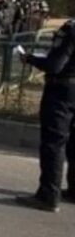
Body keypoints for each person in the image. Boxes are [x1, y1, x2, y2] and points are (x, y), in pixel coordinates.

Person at [16, 19, 75, 212]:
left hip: (63, 89)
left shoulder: (71, 28)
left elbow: (55, 65)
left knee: (54, 143)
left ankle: (48, 195)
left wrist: (30, 58)